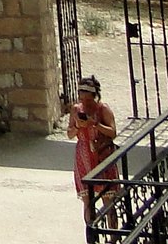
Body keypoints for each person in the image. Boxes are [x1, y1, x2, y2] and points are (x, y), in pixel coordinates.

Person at [67, 73, 119, 225]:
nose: (85, 102)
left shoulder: (103, 109)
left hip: (102, 155)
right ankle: (92, 234)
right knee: (87, 200)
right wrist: (78, 126)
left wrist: (95, 124)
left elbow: (113, 132)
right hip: (83, 155)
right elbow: (70, 134)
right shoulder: (76, 110)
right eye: (82, 98)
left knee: (108, 199)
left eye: (88, 99)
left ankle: (113, 236)